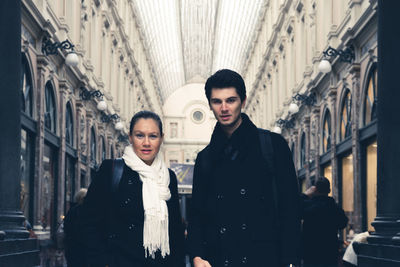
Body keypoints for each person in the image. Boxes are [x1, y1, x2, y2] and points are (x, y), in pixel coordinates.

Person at [187, 69, 301, 267]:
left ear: (243, 101)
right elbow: (197, 215)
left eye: (231, 100)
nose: (224, 108)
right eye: (217, 101)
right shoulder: (204, 158)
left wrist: (290, 260)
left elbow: (290, 208)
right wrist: (197, 255)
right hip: (219, 259)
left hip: (265, 259)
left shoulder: (272, 145)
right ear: (210, 105)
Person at [81, 111, 185, 267]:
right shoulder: (111, 170)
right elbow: (88, 223)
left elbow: (175, 231)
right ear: (130, 137)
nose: (146, 143)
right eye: (140, 135)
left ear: (161, 138)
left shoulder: (168, 177)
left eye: (153, 136)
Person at [301, 177, 349, 267]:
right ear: (329, 190)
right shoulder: (334, 208)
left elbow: (293, 210)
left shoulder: (307, 206)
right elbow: (343, 223)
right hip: (329, 253)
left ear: (315, 190)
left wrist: (305, 195)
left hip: (310, 253)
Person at [64, 188, 88, 267]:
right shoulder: (81, 211)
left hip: (71, 248)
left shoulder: (71, 210)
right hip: (80, 249)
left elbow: (66, 228)